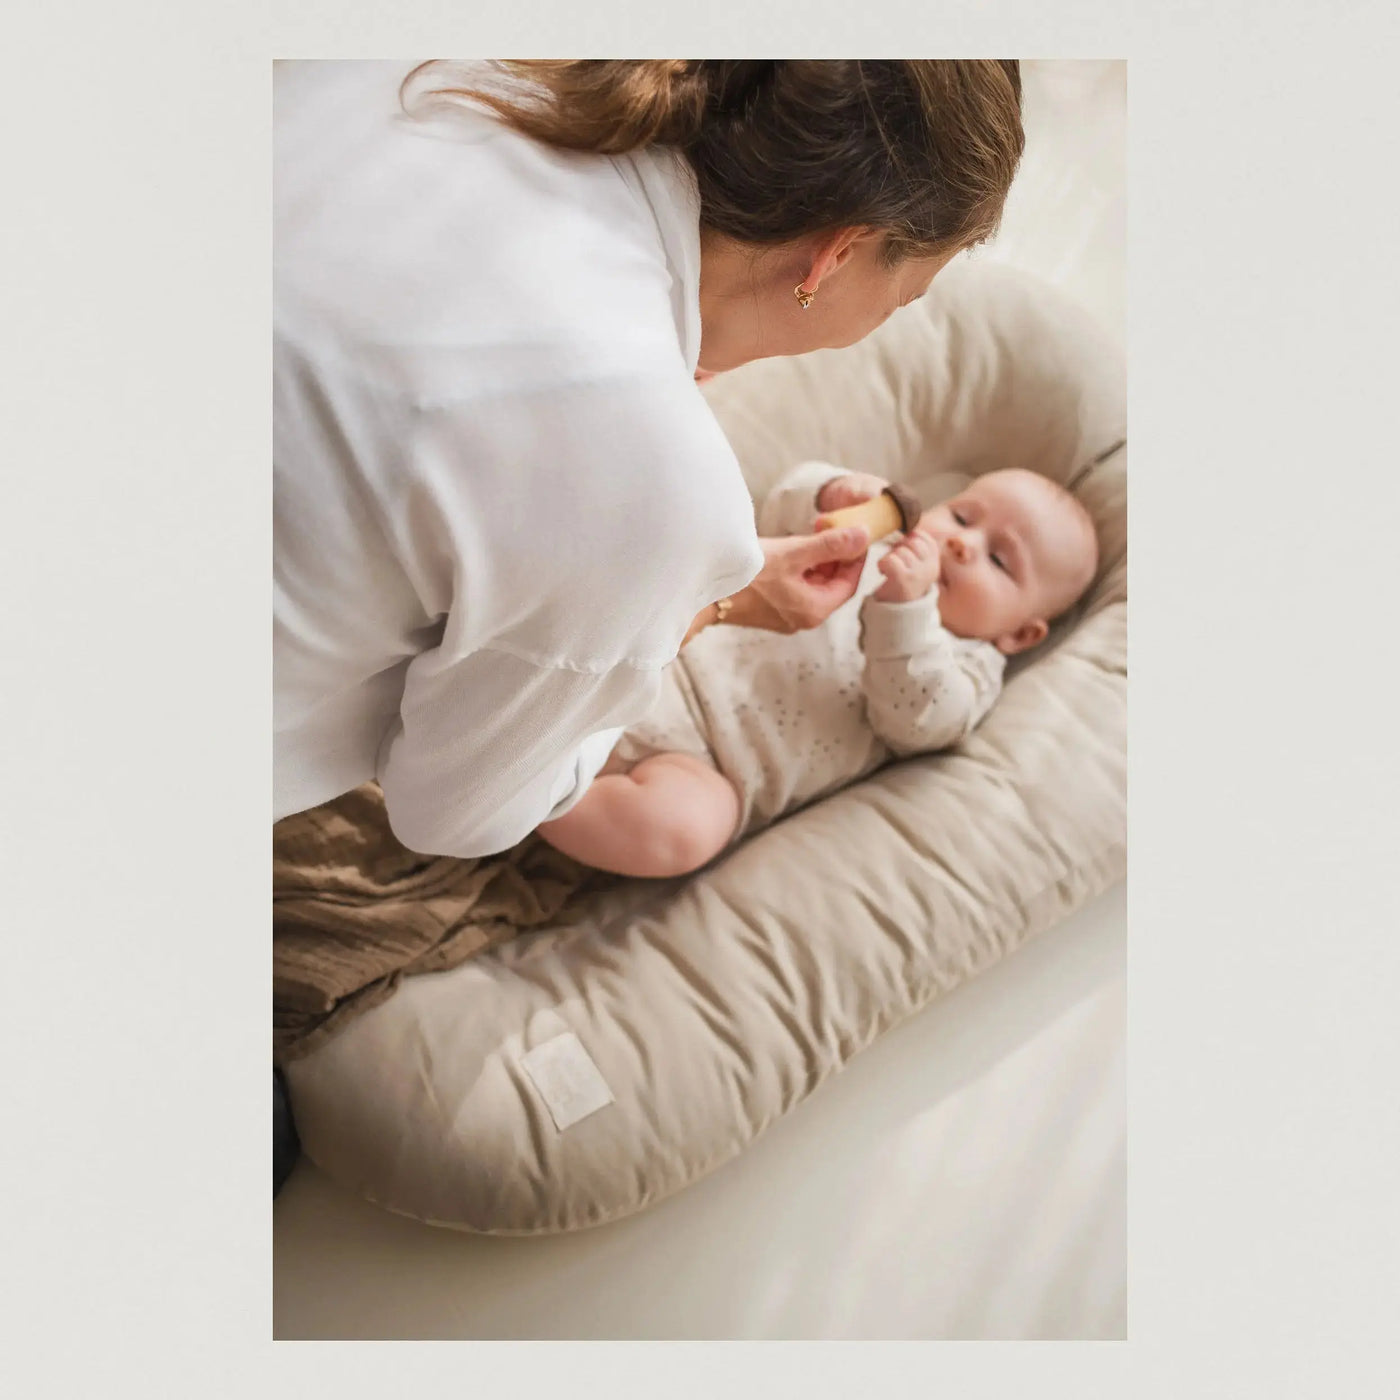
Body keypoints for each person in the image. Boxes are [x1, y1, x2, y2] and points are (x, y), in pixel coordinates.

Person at [273, 59, 1025, 1192]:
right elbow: (451, 807)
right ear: (835, 255)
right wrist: (703, 589)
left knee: (695, 812)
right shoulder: (648, 470)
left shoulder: (435, 72)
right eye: (908, 293)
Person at [536, 461, 1099, 877]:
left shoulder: (967, 668)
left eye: (999, 559)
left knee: (687, 831)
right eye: (962, 515)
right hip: (672, 648)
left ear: (1019, 634)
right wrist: (831, 493)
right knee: (608, 591)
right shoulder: (878, 544)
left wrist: (907, 607)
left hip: (703, 766)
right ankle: (527, 738)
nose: (959, 544)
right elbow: (774, 517)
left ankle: (529, 801)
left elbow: (919, 718)